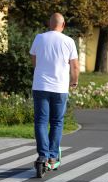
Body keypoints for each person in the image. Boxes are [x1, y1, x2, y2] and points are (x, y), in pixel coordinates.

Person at [30, 13, 80, 168]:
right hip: (59, 88)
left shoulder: (39, 38)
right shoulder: (69, 41)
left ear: (49, 23)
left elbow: (34, 60)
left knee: (41, 121)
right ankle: (52, 156)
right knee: (57, 122)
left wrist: (41, 72)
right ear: (63, 25)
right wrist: (74, 81)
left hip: (40, 86)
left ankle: (42, 155)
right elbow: (75, 66)